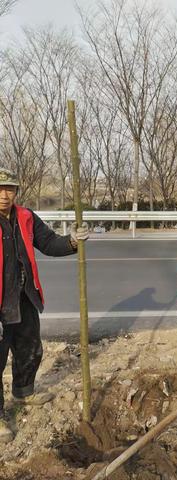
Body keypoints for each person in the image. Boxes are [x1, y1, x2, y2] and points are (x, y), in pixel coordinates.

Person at [0, 167, 89, 443]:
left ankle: (23, 392)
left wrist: (73, 241)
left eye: (9, 189)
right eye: (0, 189)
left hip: (24, 295)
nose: (4, 195)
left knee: (30, 348)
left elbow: (48, 242)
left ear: (16, 191)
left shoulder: (25, 217)